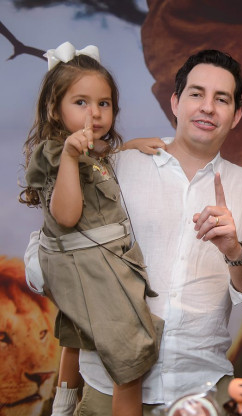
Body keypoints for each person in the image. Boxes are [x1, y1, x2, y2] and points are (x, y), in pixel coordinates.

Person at [76, 49, 242, 416]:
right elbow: (57, 248)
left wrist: (234, 250)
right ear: (175, 102)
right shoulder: (118, 167)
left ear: (236, 115)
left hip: (198, 389)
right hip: (107, 385)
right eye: (196, 94)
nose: (207, 107)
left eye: (221, 99)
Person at [20, 41, 163, 416]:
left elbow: (99, 160)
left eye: (104, 103)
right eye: (81, 102)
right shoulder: (57, 154)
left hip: (85, 262)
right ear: (55, 108)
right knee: (130, 359)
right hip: (87, 266)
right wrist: (70, 157)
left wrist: (128, 147)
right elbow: (66, 215)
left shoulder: (89, 149)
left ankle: (63, 403)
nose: (95, 113)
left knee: (76, 332)